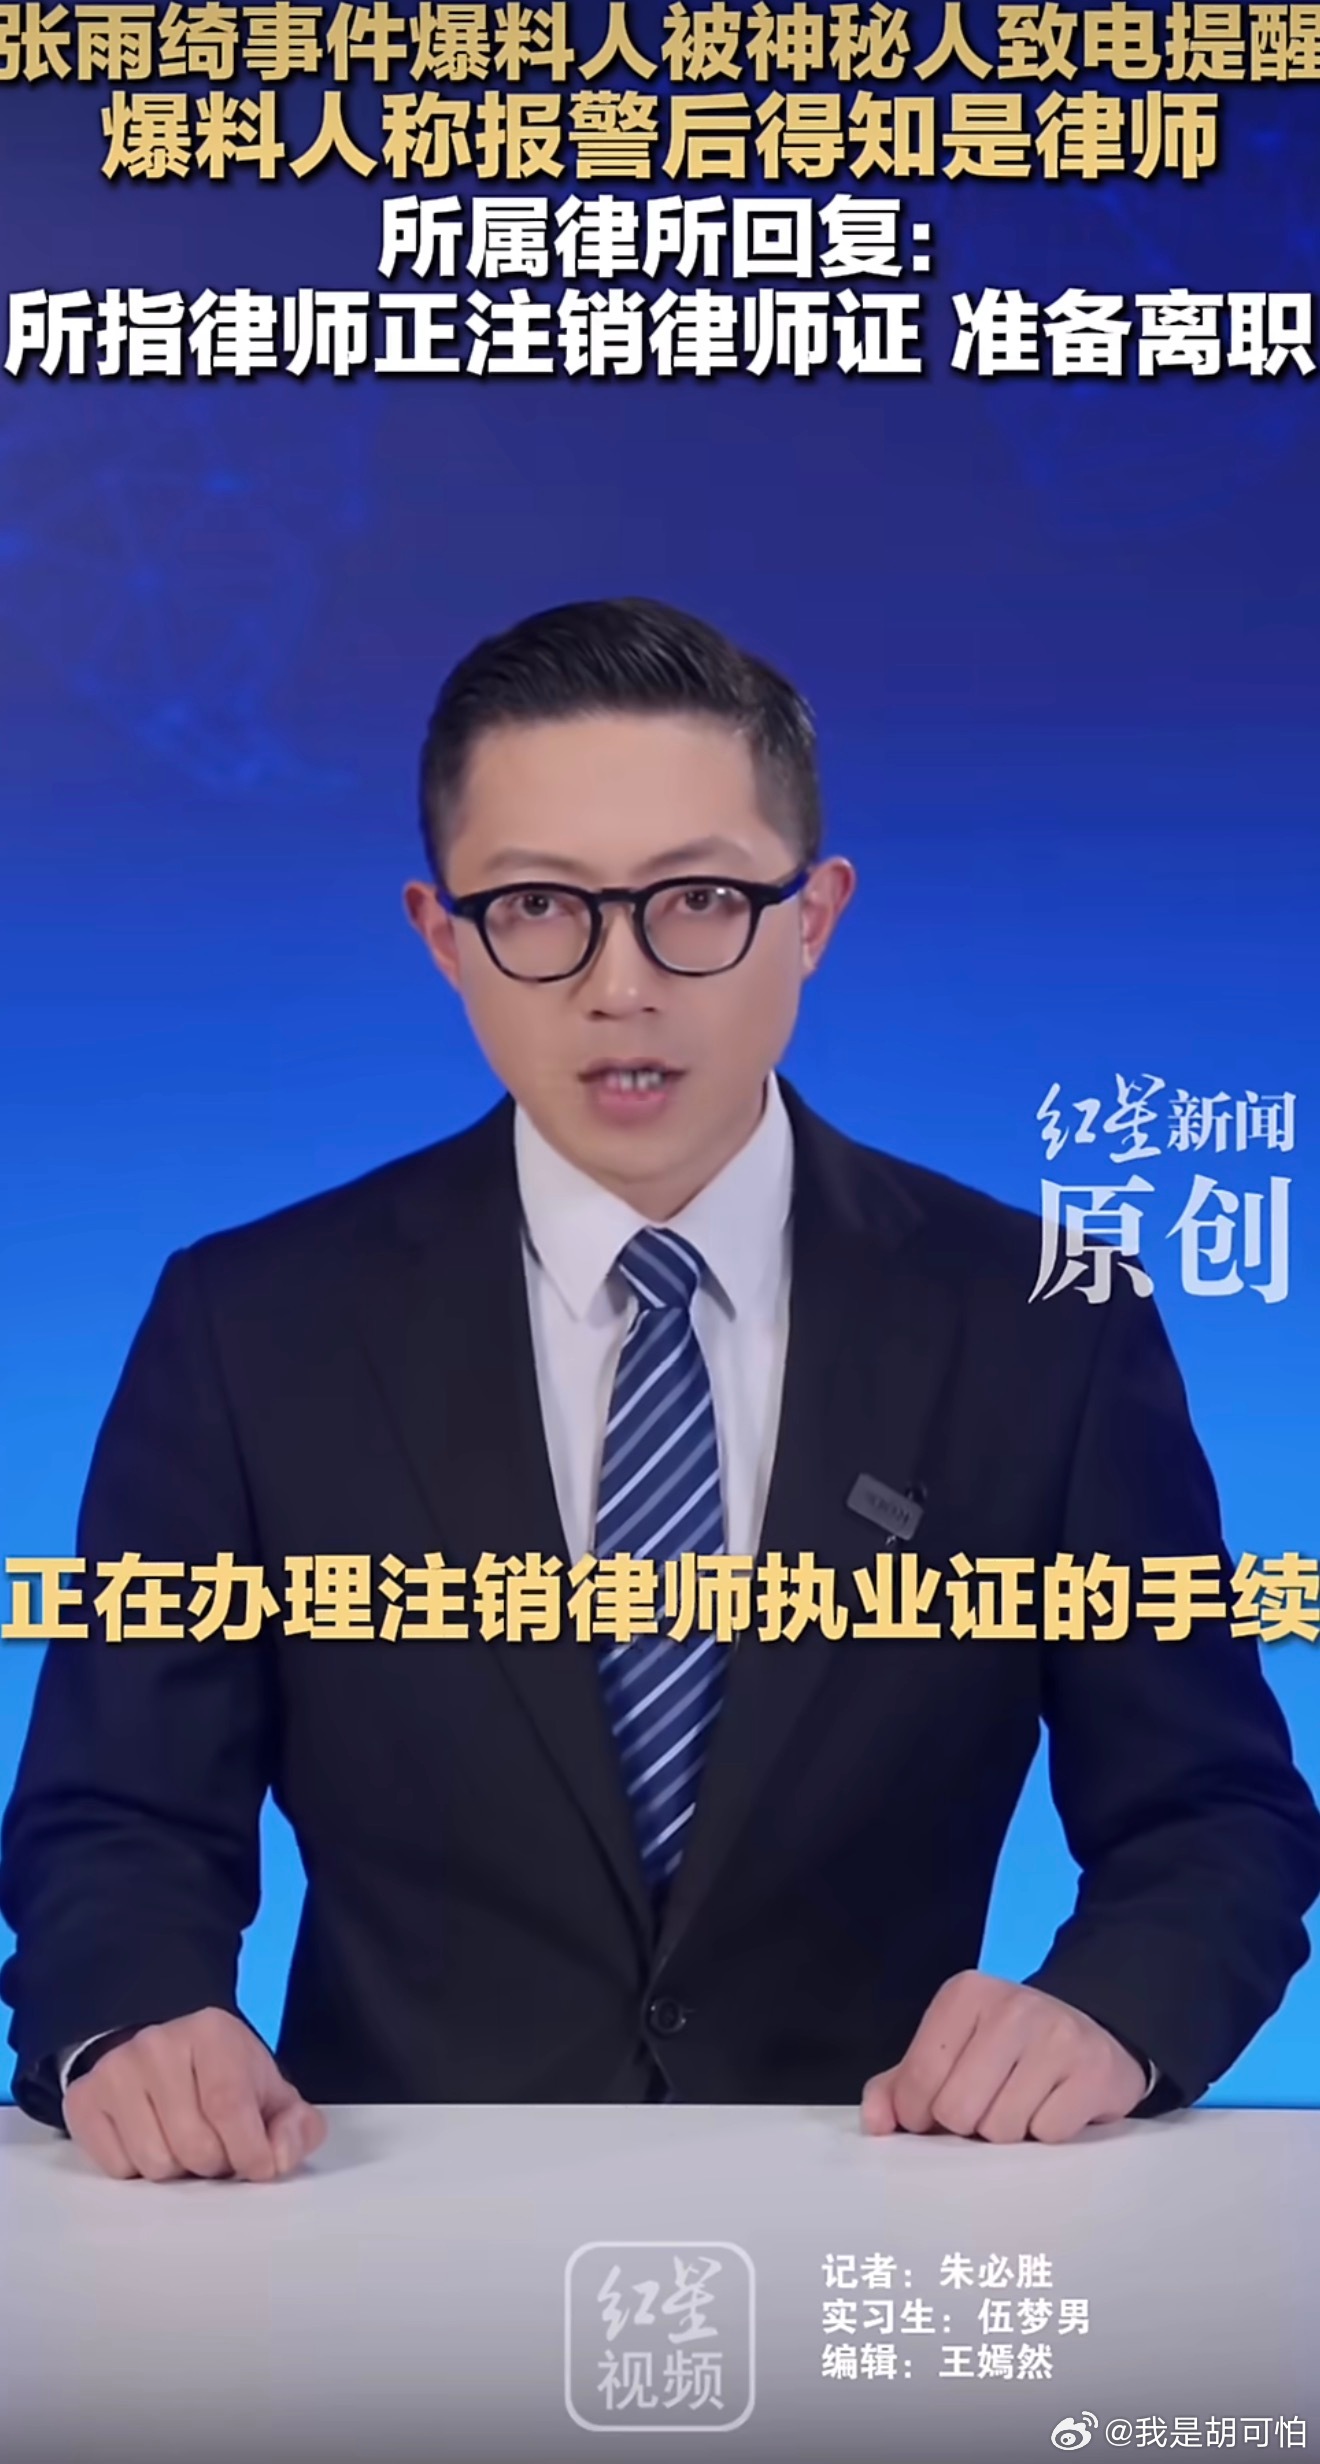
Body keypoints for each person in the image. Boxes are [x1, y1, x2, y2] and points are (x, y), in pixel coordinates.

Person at [3, 596, 1318, 2187]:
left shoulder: (1044, 1326)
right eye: (538, 906)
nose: (620, 985)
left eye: (699, 899)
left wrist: (1108, 2010)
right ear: (442, 935)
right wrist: (137, 2021)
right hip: (379, 2220)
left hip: (885, 2196)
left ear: (814, 914)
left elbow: (1212, 1814)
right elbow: (120, 1814)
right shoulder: (251, 1325)